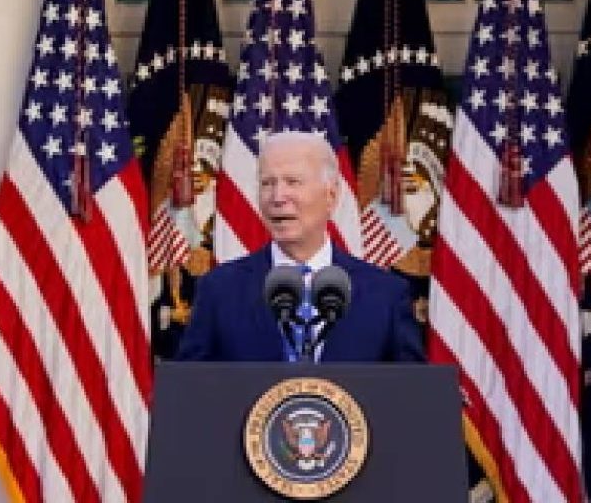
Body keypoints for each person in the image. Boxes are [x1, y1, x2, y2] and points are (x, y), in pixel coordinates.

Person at [175, 131, 424, 362]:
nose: (277, 197)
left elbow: (410, 396)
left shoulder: (386, 295)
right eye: (267, 183)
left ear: (331, 196)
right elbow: (189, 392)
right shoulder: (219, 290)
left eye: (293, 182)